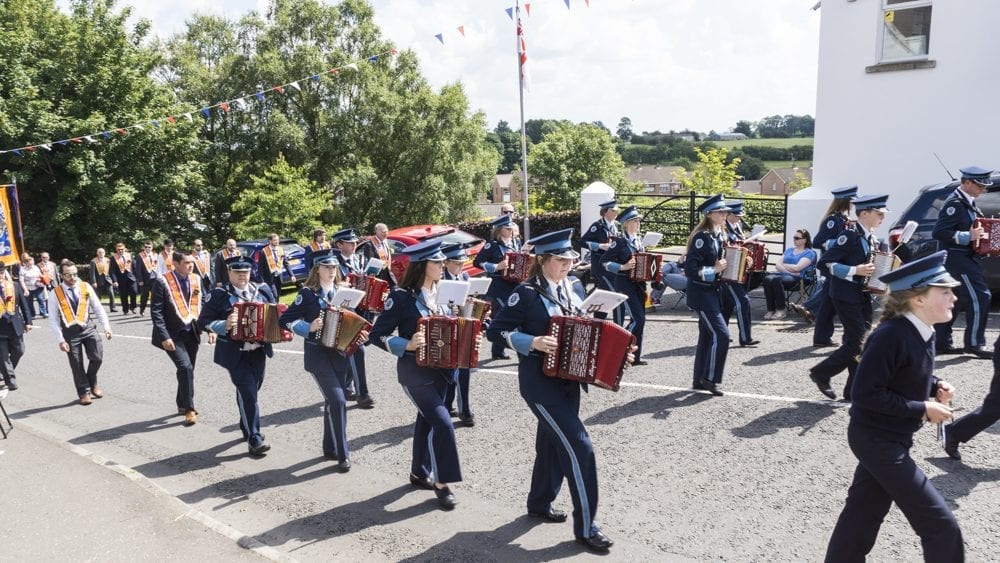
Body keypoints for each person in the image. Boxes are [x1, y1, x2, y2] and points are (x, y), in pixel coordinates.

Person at [486, 228, 626, 553]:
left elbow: (585, 327)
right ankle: (587, 526)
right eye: (562, 260)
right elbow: (496, 330)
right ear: (544, 260)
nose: (568, 264)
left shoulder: (574, 286)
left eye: (571, 259)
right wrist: (530, 342)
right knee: (579, 446)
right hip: (539, 383)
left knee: (551, 444)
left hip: (569, 381)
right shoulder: (527, 293)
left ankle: (539, 502)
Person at [824, 250, 963, 562]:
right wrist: (922, 408)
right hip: (876, 439)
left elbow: (904, 372)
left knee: (862, 516)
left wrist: (934, 385)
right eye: (945, 291)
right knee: (941, 526)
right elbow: (865, 394)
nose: (953, 296)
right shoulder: (892, 335)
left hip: (890, 436)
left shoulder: (919, 329)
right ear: (919, 299)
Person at [368, 240, 463, 510]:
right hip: (415, 374)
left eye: (443, 261)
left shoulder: (446, 292)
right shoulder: (400, 297)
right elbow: (377, 335)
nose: (443, 266)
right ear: (423, 265)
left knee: (427, 421)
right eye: (437, 262)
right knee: (443, 424)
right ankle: (442, 483)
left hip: (443, 372)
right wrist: (407, 344)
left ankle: (419, 472)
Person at [280, 249, 364, 472]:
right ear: (317, 269)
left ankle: (329, 446)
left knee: (332, 401)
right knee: (338, 401)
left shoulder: (344, 292)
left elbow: (353, 320)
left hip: (339, 355)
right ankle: (342, 454)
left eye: (334, 267)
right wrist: (308, 328)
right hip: (317, 356)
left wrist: (359, 333)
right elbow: (285, 320)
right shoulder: (307, 294)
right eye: (327, 267)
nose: (331, 271)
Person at [808, 194, 889, 401]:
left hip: (862, 296)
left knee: (861, 340)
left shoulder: (870, 237)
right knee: (858, 342)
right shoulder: (850, 236)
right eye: (879, 214)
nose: (883, 218)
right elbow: (825, 263)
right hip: (844, 295)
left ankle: (852, 390)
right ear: (864, 213)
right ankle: (821, 372)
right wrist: (855, 270)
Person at [199, 255, 276, 456]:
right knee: (249, 393)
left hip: (258, 351)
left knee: (251, 391)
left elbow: (276, 315)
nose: (242, 275)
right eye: (238, 272)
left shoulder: (263, 291)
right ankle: (255, 438)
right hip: (235, 353)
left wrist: (281, 330)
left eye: (246, 272)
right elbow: (203, 321)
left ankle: (247, 426)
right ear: (230, 272)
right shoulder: (219, 295)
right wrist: (224, 325)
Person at [932, 166, 994, 359]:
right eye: (980, 185)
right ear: (967, 183)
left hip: (964, 257)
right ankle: (974, 343)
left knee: (954, 299)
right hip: (956, 258)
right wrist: (968, 236)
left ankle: (941, 343)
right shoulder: (956, 204)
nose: (984, 190)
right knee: (981, 297)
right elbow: (939, 232)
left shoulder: (968, 202)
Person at [794, 185, 857, 345]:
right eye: (851, 201)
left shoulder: (843, 219)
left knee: (828, 305)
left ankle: (820, 335)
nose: (853, 205)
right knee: (830, 303)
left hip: (838, 265)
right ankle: (822, 332)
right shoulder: (832, 220)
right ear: (845, 202)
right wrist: (842, 242)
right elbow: (818, 242)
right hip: (832, 266)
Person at [151, 251, 208, 424]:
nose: (190, 265)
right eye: (186, 263)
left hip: (191, 331)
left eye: (192, 262)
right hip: (172, 334)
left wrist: (209, 328)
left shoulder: (196, 279)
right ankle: (190, 409)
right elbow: (156, 311)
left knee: (187, 369)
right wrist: (164, 336)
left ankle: (181, 402)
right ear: (175, 264)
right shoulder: (162, 282)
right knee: (185, 367)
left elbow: (203, 303)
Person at [684, 195, 732, 396]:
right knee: (722, 335)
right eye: (720, 212)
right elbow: (690, 269)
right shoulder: (702, 238)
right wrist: (714, 269)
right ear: (709, 214)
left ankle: (698, 379)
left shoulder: (717, 235)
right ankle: (710, 378)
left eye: (725, 211)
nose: (724, 215)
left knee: (706, 336)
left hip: (712, 292)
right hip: (701, 293)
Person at [47, 261, 113, 405]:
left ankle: (91, 382)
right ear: (61, 275)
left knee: (97, 358)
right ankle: (84, 392)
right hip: (70, 333)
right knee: (76, 364)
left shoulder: (85, 286)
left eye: (75, 274)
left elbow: (98, 308)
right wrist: (60, 340)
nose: (73, 277)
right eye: (69, 275)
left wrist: (106, 327)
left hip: (88, 328)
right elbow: (53, 319)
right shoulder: (55, 293)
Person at [332, 228, 375, 408]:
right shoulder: (332, 263)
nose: (354, 245)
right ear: (339, 245)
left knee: (353, 350)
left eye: (354, 242)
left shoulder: (359, 259)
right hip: (345, 313)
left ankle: (345, 386)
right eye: (349, 243)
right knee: (357, 350)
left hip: (363, 310)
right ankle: (362, 394)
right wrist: (339, 285)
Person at [601, 205, 649, 365]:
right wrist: (622, 267)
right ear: (626, 223)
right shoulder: (620, 242)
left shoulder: (639, 240)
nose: (638, 223)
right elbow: (604, 262)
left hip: (639, 284)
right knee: (638, 319)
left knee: (641, 320)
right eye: (635, 220)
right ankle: (618, 350)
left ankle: (635, 357)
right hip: (625, 284)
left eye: (639, 220)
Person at [473, 214, 523, 360]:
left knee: (504, 316)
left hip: (514, 284)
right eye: (507, 228)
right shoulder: (492, 246)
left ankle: (497, 351)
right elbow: (478, 262)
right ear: (500, 230)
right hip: (499, 287)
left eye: (511, 227)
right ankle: (516, 350)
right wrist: (496, 267)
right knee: (505, 317)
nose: (511, 230)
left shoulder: (516, 242)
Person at [441, 242, 475, 426]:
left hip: (464, 327)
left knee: (464, 370)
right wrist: (448, 309)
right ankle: (447, 404)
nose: (461, 266)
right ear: (446, 262)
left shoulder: (465, 276)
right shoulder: (440, 279)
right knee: (449, 370)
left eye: (462, 262)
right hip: (447, 330)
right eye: (457, 262)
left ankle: (465, 410)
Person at [719, 201, 759, 347]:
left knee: (727, 306)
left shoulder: (738, 227)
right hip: (728, 273)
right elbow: (725, 249)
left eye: (740, 216)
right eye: (736, 216)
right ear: (728, 214)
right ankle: (745, 338)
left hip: (738, 270)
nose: (739, 218)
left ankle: (720, 334)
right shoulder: (722, 229)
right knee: (743, 302)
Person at [762, 229, 817, 320]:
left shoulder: (809, 253)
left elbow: (798, 268)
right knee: (767, 279)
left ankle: (781, 310)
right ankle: (771, 310)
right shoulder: (789, 250)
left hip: (799, 279)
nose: (794, 239)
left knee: (776, 280)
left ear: (805, 240)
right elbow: (777, 265)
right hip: (786, 275)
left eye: (797, 238)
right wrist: (789, 270)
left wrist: (784, 266)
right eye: (794, 237)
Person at [579, 199, 620, 319]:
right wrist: (600, 246)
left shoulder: (615, 226)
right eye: (613, 210)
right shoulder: (597, 226)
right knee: (612, 292)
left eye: (617, 210)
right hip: (600, 267)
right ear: (605, 212)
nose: (616, 212)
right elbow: (582, 242)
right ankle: (604, 320)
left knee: (604, 296)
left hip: (611, 266)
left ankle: (597, 320)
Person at [0, 262, 32, 391]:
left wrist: (28, 321)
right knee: (2, 355)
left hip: (15, 325)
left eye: (1, 273)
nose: (0, 275)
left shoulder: (14, 286)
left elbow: (24, 305)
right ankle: (10, 379)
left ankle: (5, 370)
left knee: (19, 351)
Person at [257, 233, 295, 298]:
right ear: (270, 241)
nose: (277, 241)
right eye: (275, 240)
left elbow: (286, 263)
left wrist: (292, 275)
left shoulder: (280, 249)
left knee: (277, 294)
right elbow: (260, 267)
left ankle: (275, 307)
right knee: (274, 294)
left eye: (277, 240)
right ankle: (273, 306)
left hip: (279, 276)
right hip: (269, 277)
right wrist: (261, 280)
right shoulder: (264, 251)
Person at [358, 222, 396, 286]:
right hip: (377, 276)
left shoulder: (385, 242)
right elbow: (369, 262)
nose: (385, 234)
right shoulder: (370, 245)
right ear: (377, 232)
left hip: (388, 274)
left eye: (386, 231)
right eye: (383, 232)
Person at [110, 243, 138, 314]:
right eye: (118, 250)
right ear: (116, 250)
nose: (120, 251)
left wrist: (137, 277)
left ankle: (133, 307)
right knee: (123, 295)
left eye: (122, 249)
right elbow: (112, 271)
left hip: (131, 278)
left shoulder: (129, 255)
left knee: (134, 292)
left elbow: (134, 266)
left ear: (124, 249)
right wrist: (115, 281)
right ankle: (125, 309)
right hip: (121, 279)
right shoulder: (113, 258)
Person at [89, 247, 117, 312]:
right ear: (97, 253)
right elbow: (92, 273)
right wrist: (94, 282)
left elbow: (111, 271)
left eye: (103, 252)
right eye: (100, 252)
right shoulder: (93, 261)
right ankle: (97, 309)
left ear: (104, 253)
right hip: (98, 281)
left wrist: (114, 280)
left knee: (111, 294)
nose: (101, 253)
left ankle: (113, 308)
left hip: (108, 280)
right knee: (98, 296)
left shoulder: (108, 260)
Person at [18, 253, 47, 319]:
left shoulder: (35, 267)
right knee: (29, 302)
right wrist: (25, 290)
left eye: (32, 262)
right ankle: (32, 314)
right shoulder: (22, 269)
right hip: (28, 288)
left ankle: (43, 313)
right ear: (26, 263)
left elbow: (40, 275)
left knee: (40, 299)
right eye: (30, 263)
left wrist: (42, 277)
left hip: (37, 286)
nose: (32, 264)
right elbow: (21, 281)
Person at [135, 240, 158, 315]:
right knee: (144, 295)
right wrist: (140, 280)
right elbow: (138, 269)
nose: (147, 248)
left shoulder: (155, 255)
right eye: (146, 247)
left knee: (155, 296)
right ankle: (142, 309)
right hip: (145, 279)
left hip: (154, 278)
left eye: (149, 247)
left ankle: (154, 311)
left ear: (152, 247)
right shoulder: (140, 255)